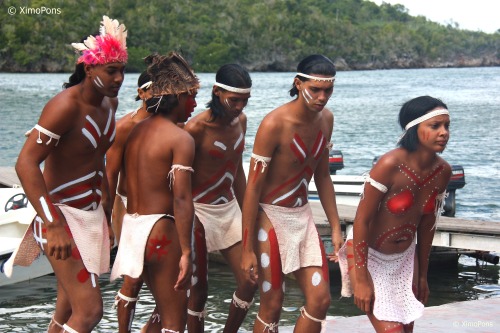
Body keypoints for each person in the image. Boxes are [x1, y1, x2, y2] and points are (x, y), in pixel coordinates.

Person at [5, 15, 127, 333]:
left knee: (68, 308)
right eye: (110, 70)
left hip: (90, 217)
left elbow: (98, 161)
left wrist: (108, 213)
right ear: (89, 69)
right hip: (61, 218)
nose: (118, 78)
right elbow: (25, 164)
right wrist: (53, 225)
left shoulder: (109, 105)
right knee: (89, 312)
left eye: (122, 70)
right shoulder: (64, 107)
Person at [241, 54, 344, 333]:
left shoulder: (327, 120)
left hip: (302, 217)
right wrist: (247, 247)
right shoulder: (274, 124)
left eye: (328, 90)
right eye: (316, 89)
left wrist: (336, 227)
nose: (322, 97)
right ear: (298, 84)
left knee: (320, 300)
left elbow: (322, 176)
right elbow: (252, 187)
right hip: (270, 218)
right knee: (272, 305)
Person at [338, 96, 452, 332]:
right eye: (435, 126)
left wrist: (421, 276)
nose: (444, 133)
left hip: (405, 260)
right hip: (368, 257)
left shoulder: (443, 171)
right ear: (413, 129)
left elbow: (427, 226)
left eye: (447, 126)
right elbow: (362, 220)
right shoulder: (389, 164)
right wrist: (360, 279)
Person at [110, 51, 199, 333]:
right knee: (174, 322)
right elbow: (182, 199)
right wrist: (187, 251)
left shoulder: (135, 131)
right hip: (161, 230)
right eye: (191, 97)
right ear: (178, 97)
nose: (195, 104)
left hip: (134, 229)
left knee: (161, 309)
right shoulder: (180, 138)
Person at [183, 64, 258, 333]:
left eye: (245, 101)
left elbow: (237, 170)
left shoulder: (242, 121)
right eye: (234, 100)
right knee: (198, 290)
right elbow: (178, 181)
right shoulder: (195, 128)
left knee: (250, 280)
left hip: (228, 210)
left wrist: (249, 208)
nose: (239, 107)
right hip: (197, 211)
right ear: (216, 91)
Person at [102, 71, 156, 332]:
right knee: (133, 280)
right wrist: (107, 220)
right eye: (153, 90)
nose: (158, 95)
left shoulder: (173, 125)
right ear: (142, 93)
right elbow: (110, 175)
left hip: (162, 210)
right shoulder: (124, 127)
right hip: (129, 209)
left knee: (174, 283)